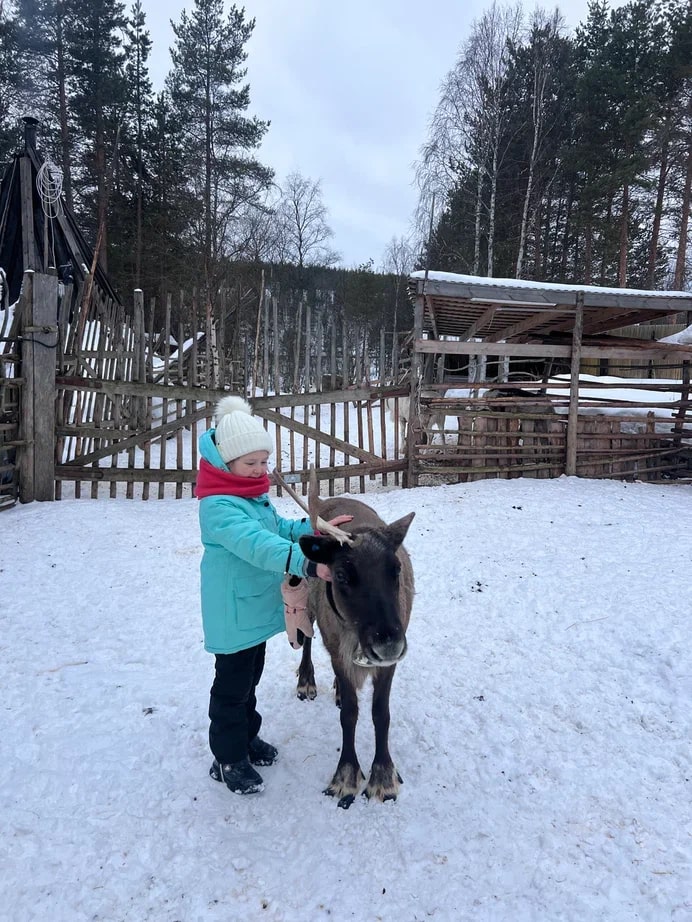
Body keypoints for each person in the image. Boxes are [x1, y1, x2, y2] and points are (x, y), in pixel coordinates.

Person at [195, 395, 350, 795]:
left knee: (250, 680)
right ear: (226, 462)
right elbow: (257, 545)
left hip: (252, 610)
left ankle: (248, 738)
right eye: (252, 464)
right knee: (231, 688)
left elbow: (277, 528)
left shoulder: (248, 494)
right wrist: (308, 563)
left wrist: (313, 529)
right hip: (232, 614)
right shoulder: (218, 506)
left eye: (265, 462)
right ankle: (227, 759)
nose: (261, 470)